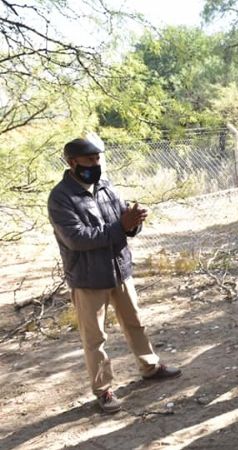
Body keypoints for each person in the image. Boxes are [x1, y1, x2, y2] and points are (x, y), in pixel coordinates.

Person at [47, 136, 181, 414]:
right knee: (95, 339)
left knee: (135, 322)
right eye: (89, 160)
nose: (95, 164)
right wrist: (121, 227)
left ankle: (150, 366)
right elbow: (76, 238)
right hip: (87, 279)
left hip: (120, 270)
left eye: (98, 159)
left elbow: (123, 222)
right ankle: (104, 390)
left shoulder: (106, 187)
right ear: (72, 163)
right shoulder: (61, 197)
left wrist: (134, 221)